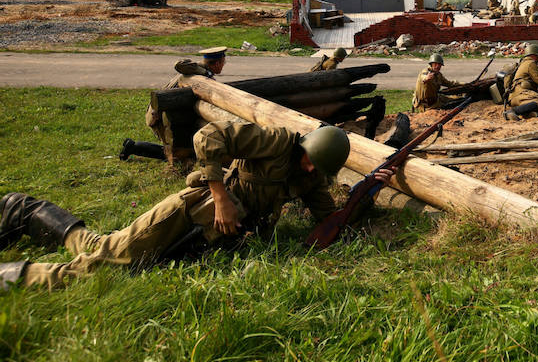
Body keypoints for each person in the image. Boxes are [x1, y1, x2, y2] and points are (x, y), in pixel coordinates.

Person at [0, 122, 394, 290]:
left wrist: (368, 192)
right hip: (191, 211)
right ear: (306, 148)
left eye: (315, 169)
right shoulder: (275, 141)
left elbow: (330, 219)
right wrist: (221, 195)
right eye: (309, 161)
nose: (309, 170)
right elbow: (209, 137)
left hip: (212, 236)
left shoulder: (310, 176)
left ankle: (26, 211)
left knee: (103, 250)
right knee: (94, 268)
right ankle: (14, 273)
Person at [119, 46, 227, 163]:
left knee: (179, 150)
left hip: (164, 111)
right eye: (223, 63)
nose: (223, 65)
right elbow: (179, 64)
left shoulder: (198, 71)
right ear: (217, 63)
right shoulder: (197, 71)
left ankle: (133, 146)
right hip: (160, 113)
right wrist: (205, 72)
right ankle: (133, 147)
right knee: (175, 154)